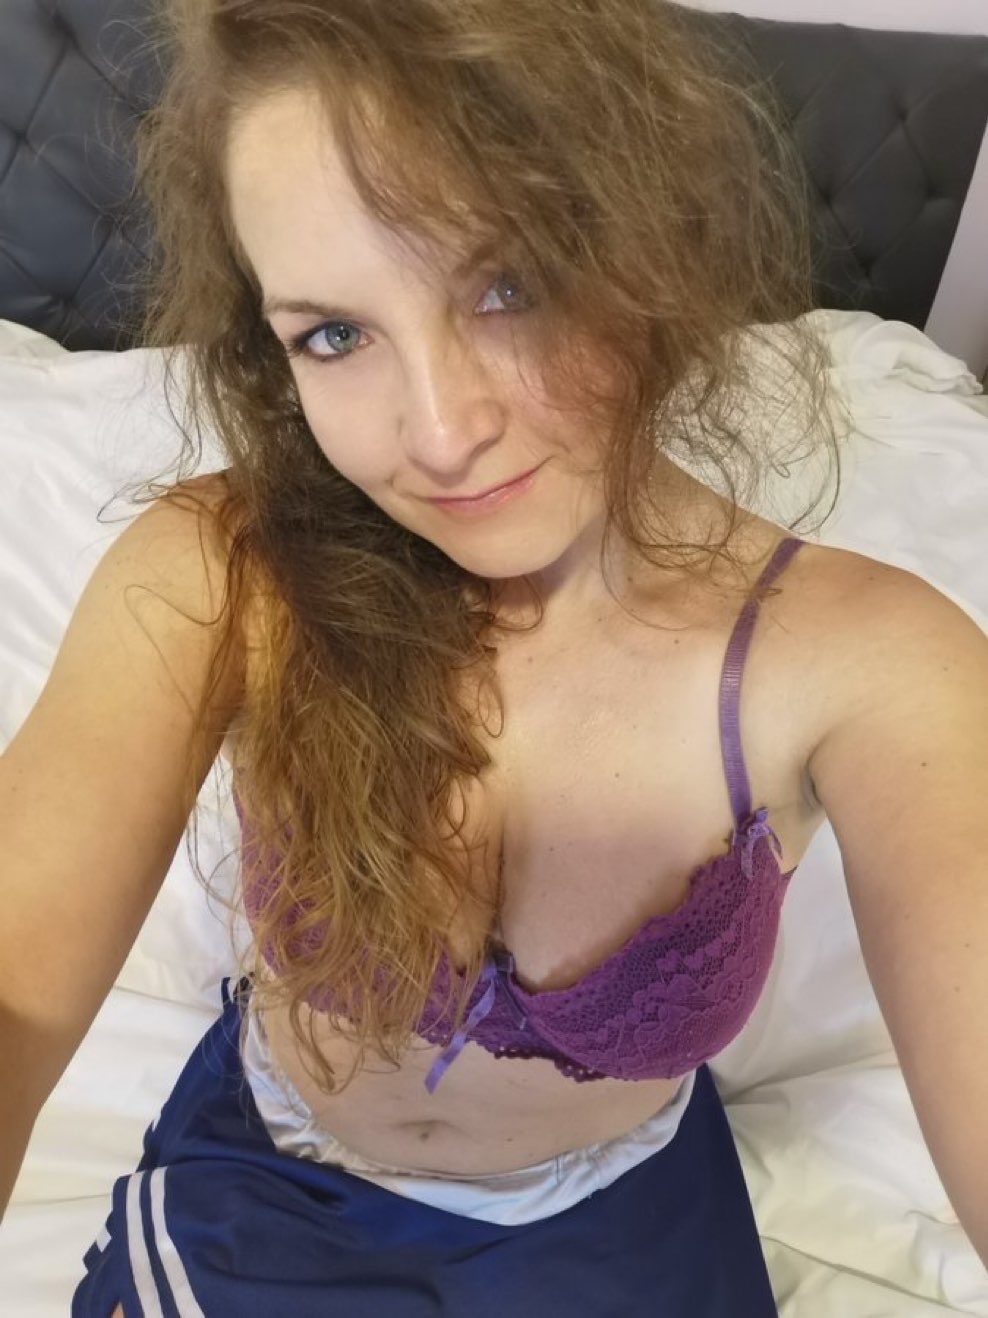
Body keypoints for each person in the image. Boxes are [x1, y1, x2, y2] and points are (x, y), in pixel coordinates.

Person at [2, 0, 985, 1313]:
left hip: (623, 1212)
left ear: (648, 242)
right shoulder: (227, 573)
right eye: (335, 334)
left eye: (509, 285)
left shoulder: (870, 664)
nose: (441, 431)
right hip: (273, 1182)